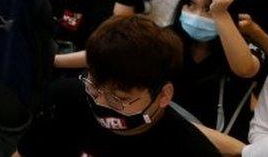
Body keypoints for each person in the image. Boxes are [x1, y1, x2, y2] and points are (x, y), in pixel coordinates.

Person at [18, 15, 221, 156]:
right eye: (94, 87)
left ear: (164, 95)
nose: (101, 102)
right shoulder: (65, 99)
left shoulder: (189, 149)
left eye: (120, 98)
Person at [170, 0, 261, 140]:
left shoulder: (243, 47)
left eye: (208, 10)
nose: (197, 16)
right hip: (173, 135)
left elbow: (246, 69)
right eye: (191, 5)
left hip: (225, 143)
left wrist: (219, 13)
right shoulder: (164, 39)